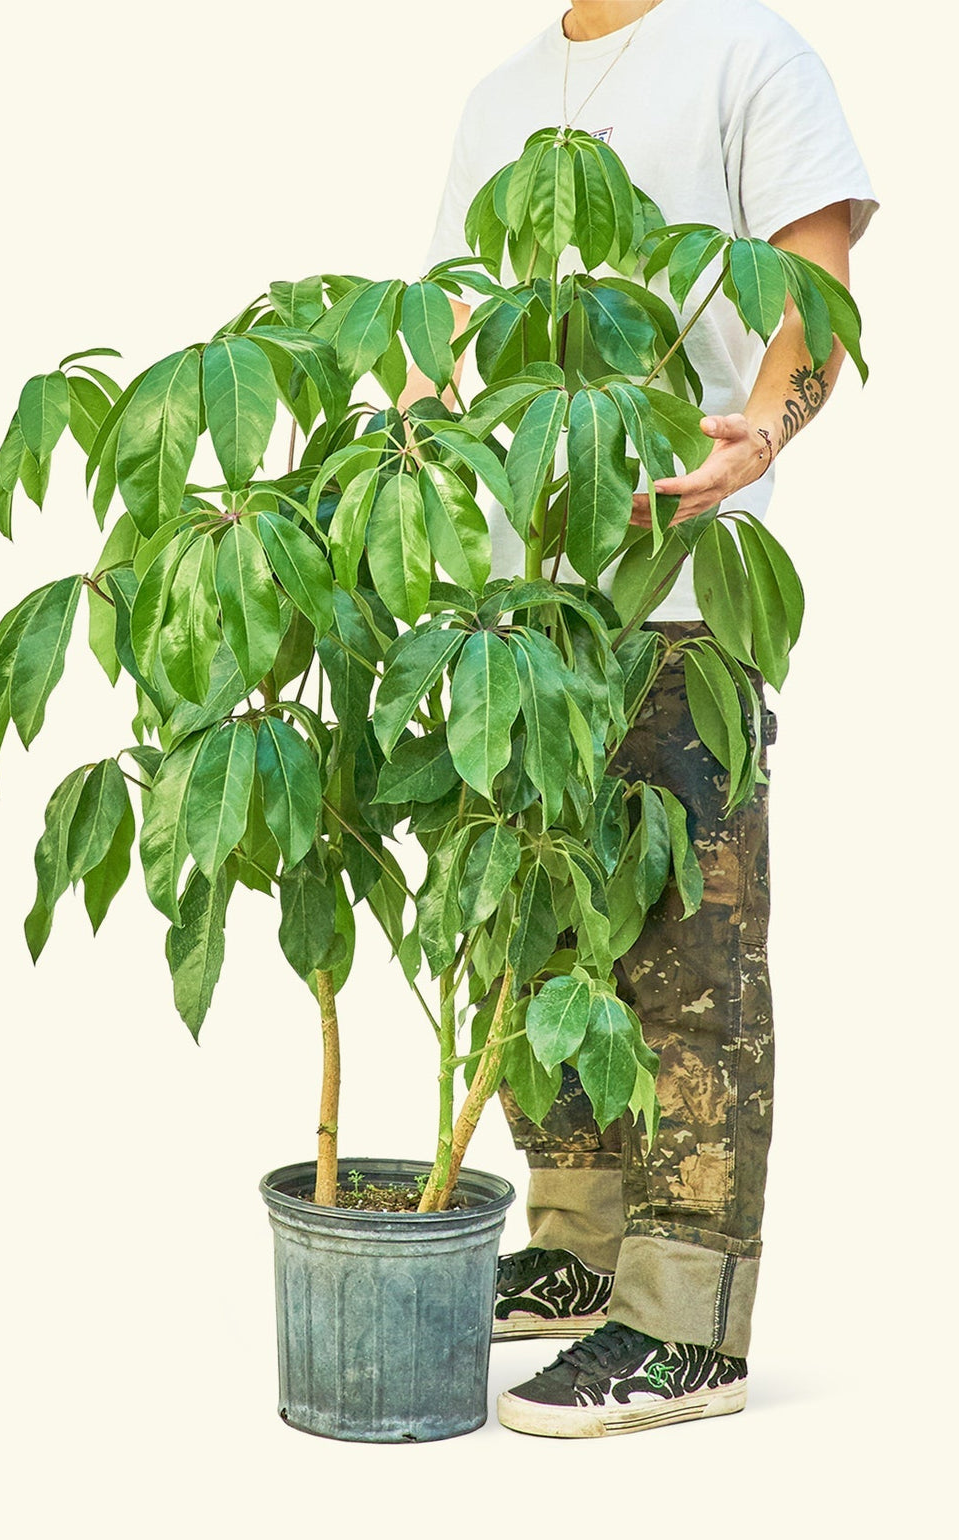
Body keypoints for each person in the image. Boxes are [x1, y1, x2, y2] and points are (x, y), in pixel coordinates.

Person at [409, 0, 876, 1439]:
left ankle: (687, 1324)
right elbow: (442, 338)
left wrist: (762, 430)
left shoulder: (749, 50)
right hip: (519, 619)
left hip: (677, 597)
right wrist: (403, 473)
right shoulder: (500, 98)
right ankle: (577, 1245)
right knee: (542, 944)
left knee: (690, 963)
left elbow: (816, 283)